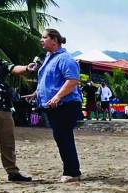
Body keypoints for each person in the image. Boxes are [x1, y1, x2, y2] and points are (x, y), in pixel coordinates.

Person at [34, 28, 83, 182]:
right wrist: (36, 93)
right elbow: (47, 81)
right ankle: (71, 170)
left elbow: (72, 80)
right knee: (61, 136)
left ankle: (72, 172)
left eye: (44, 37)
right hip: (54, 105)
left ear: (54, 40)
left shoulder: (65, 59)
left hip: (66, 105)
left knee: (63, 136)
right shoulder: (49, 58)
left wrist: (57, 96)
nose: (41, 40)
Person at [0, 57, 34, 183]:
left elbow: (12, 68)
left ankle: (12, 172)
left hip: (4, 107)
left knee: (8, 142)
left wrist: (26, 68)